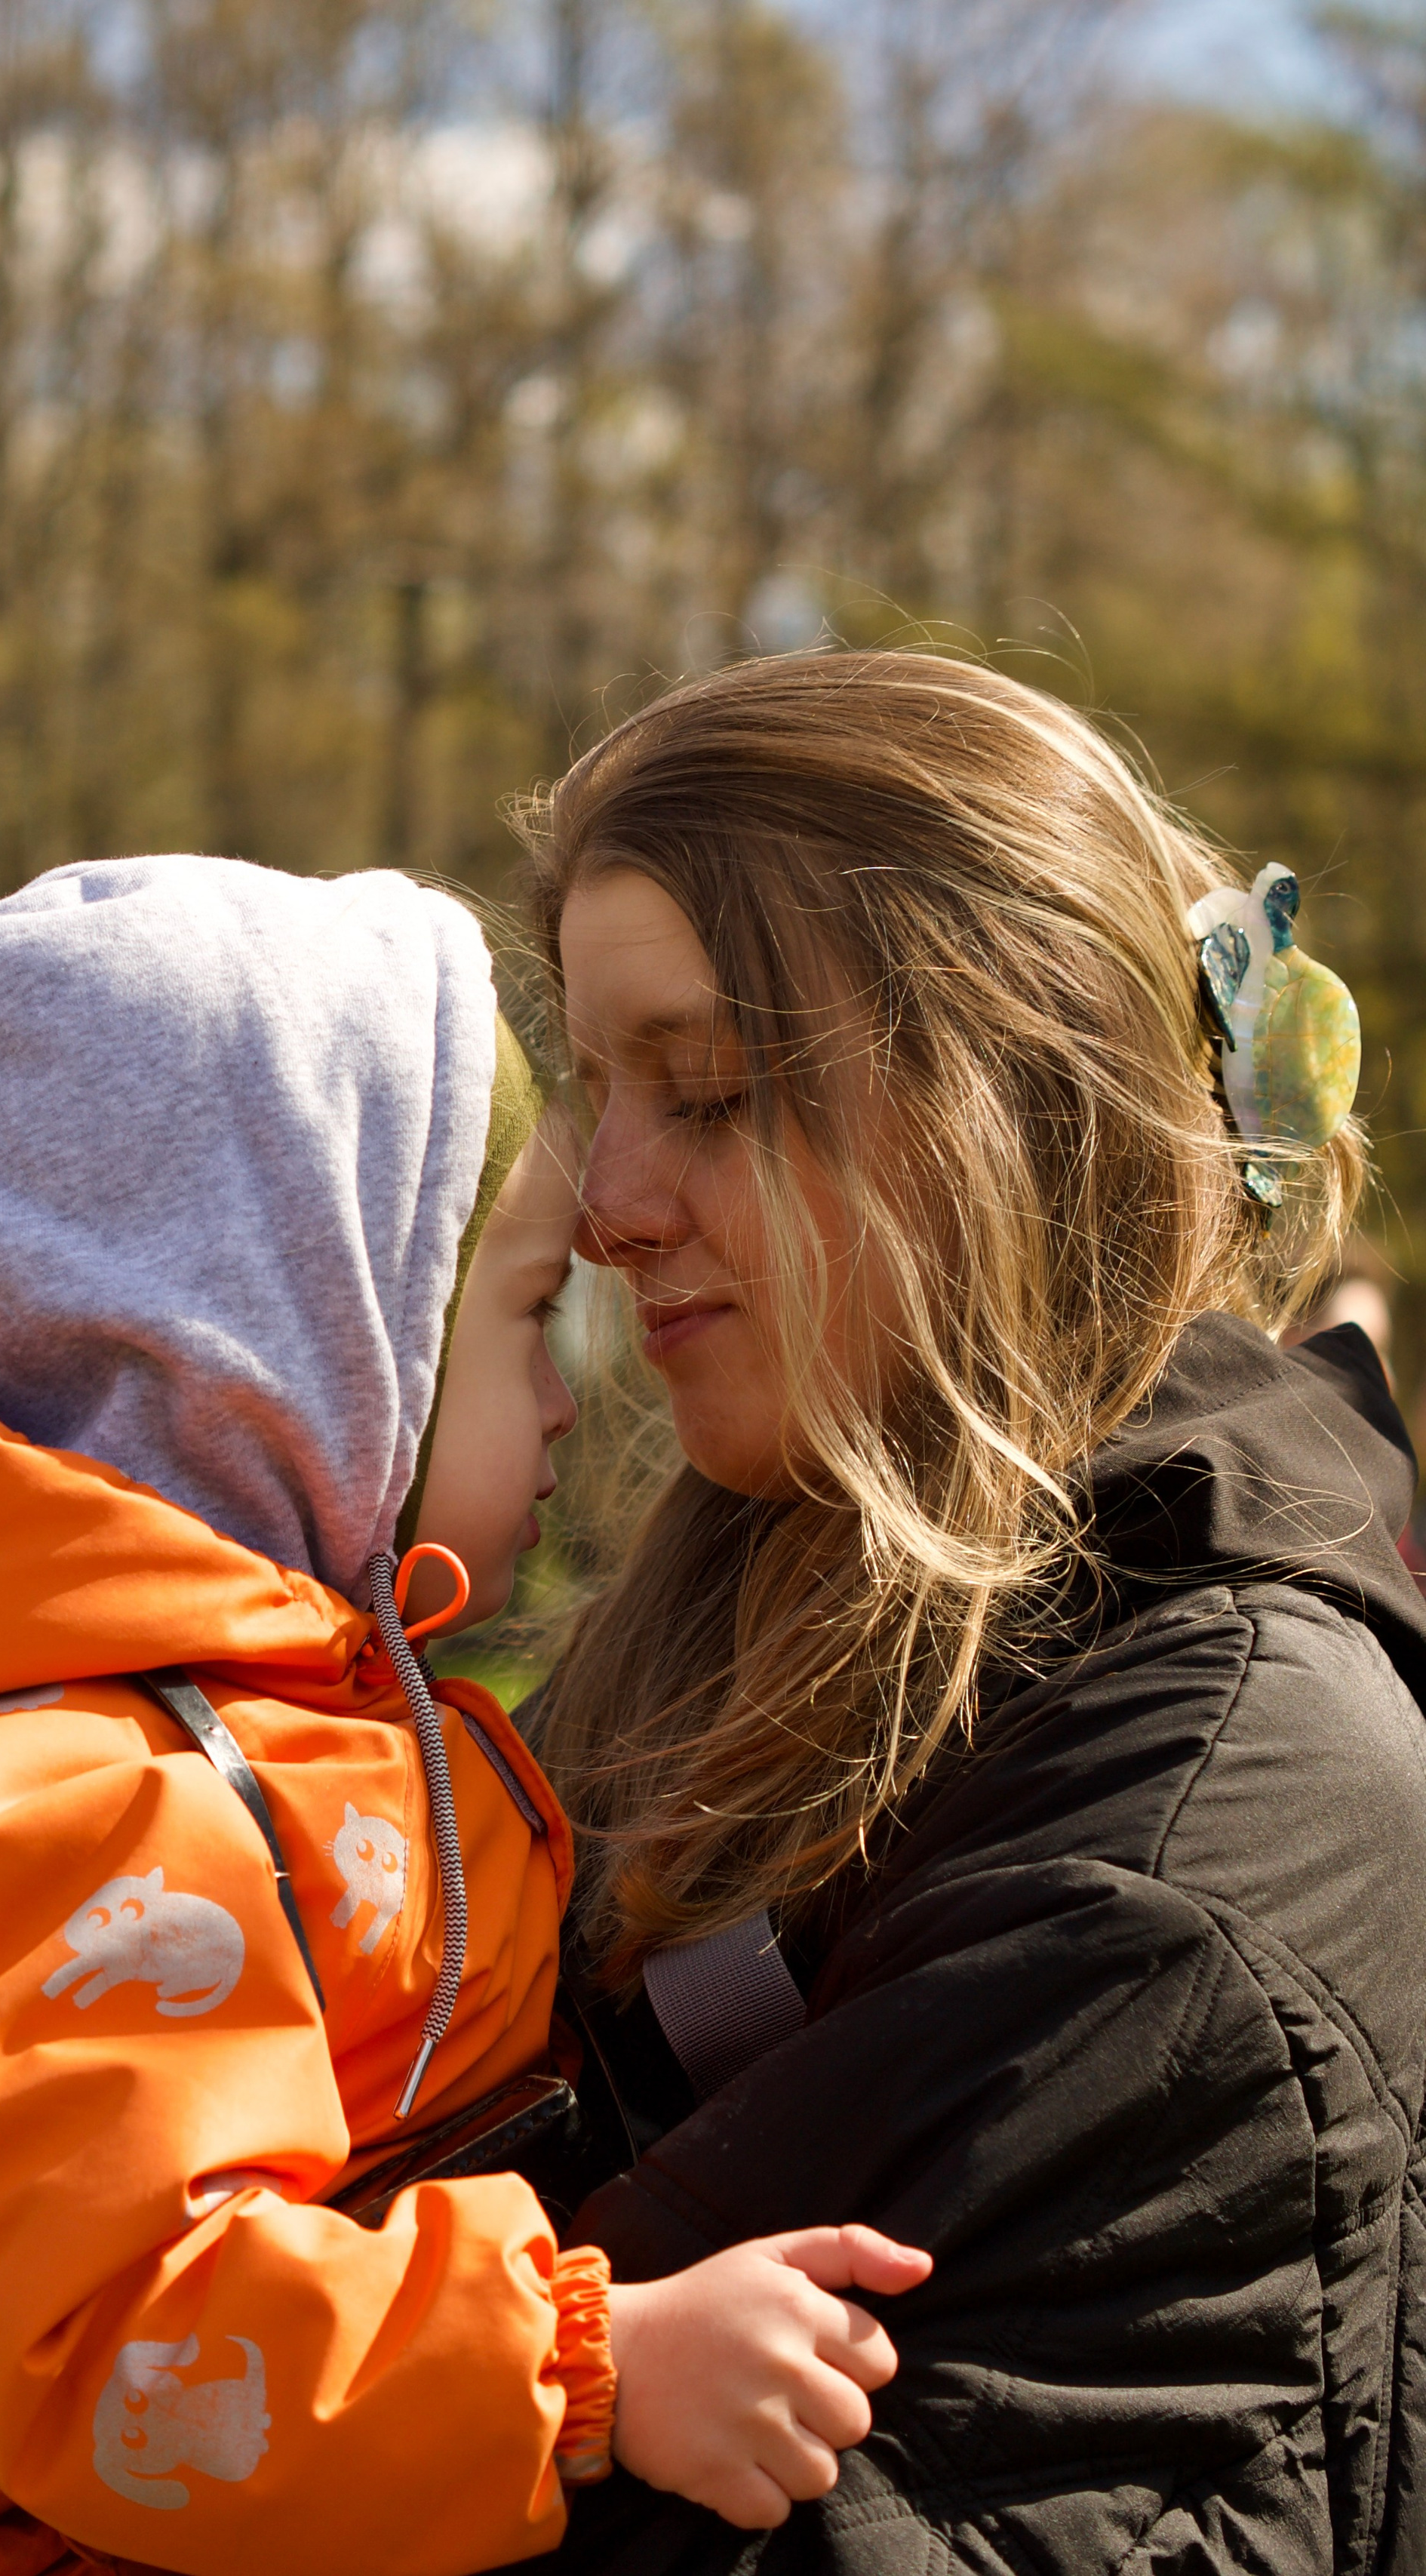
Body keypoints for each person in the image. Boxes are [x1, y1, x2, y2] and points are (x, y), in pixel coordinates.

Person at [0, 854, 925, 2576]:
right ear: (284, 1374)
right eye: (515, 1323)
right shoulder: (82, 1807)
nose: (570, 1399)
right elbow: (129, 2331)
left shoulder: (196, 1737)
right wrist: (585, 2366)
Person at [509, 652, 1426, 2572]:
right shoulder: (721, 1644)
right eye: (599, 1093)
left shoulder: (1192, 1835)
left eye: (705, 1090)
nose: (599, 1204)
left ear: (1016, 1108)